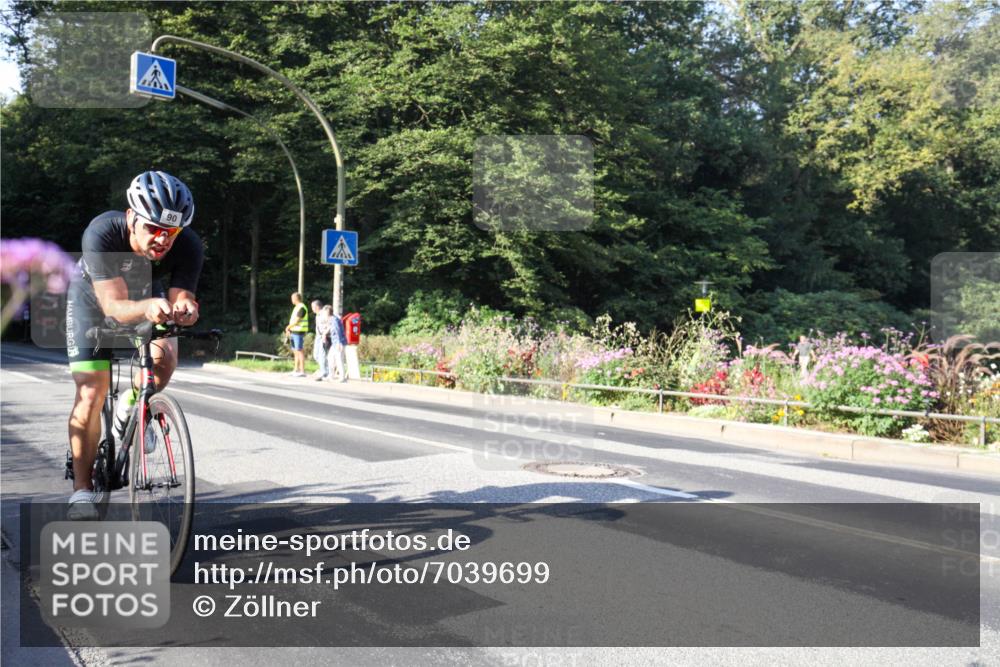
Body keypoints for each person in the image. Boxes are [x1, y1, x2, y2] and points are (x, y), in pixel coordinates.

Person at [65, 170, 202, 520]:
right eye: (153, 229)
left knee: (165, 355)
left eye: (171, 232)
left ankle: (133, 404)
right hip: (94, 302)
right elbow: (112, 306)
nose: (163, 239)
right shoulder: (102, 233)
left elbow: (181, 293)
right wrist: (148, 308)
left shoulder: (188, 245)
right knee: (91, 394)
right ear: (131, 218)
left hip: (144, 296)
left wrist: (186, 308)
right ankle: (81, 492)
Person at [284, 292, 309, 377]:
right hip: (294, 331)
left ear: (296, 299)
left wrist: (288, 327)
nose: (291, 300)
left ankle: (302, 371)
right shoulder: (297, 307)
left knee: (299, 350)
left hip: (299, 332)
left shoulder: (302, 307)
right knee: (295, 351)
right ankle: (296, 369)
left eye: (292, 298)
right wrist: (290, 329)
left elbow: (297, 321)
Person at [311, 300, 331, 381]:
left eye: (313, 307)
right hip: (318, 336)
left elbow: (329, 324)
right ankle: (326, 369)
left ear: (317, 307)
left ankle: (324, 372)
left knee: (322, 354)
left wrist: (325, 334)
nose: (312, 308)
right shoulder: (317, 315)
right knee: (316, 355)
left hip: (324, 336)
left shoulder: (324, 314)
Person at [327, 309, 348, 382]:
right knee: (330, 358)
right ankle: (331, 375)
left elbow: (337, 330)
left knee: (339, 359)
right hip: (335, 342)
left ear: (327, 313)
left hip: (338, 342)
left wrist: (339, 342)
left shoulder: (334, 320)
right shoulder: (333, 319)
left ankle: (342, 377)